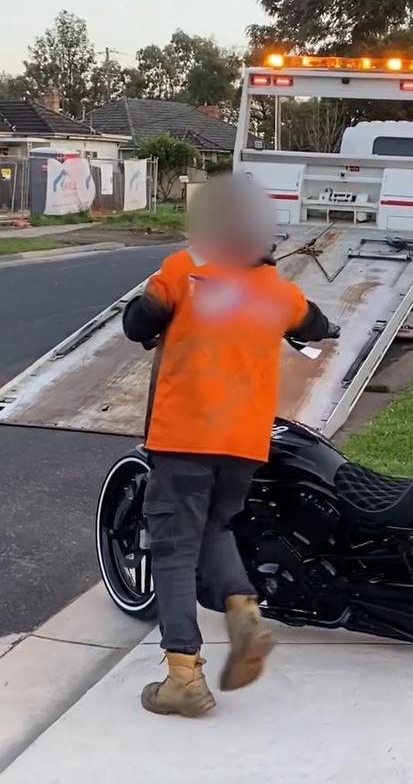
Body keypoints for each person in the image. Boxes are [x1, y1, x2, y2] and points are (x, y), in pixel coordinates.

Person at [122, 175, 336, 717]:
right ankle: (243, 611)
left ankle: (183, 680)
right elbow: (316, 324)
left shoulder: (182, 272)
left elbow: (136, 322)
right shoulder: (278, 292)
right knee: (216, 526)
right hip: (243, 443)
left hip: (183, 439)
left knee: (172, 549)